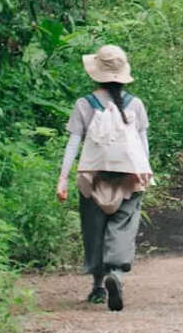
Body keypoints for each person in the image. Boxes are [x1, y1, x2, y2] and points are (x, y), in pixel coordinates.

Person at [56, 44, 152, 311]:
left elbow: (74, 143)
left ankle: (98, 286)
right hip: (128, 178)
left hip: (93, 176)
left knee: (94, 227)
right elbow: (143, 145)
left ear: (95, 73)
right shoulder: (136, 104)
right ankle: (116, 273)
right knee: (123, 224)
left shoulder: (84, 105)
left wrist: (63, 178)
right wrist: (146, 174)